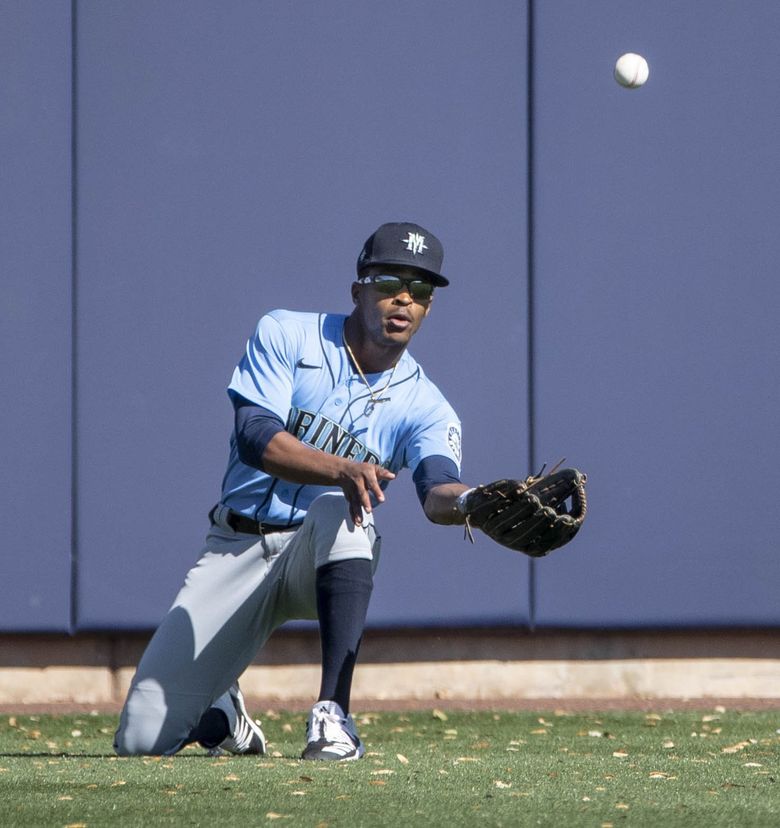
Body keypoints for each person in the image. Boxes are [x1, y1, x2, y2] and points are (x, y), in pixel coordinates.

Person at [114, 221, 470, 761]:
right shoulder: (287, 334)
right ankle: (224, 713)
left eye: (420, 291)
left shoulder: (426, 405)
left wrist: (475, 503)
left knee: (342, 513)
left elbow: (437, 487)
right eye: (389, 282)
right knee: (140, 740)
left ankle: (333, 715)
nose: (403, 299)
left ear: (427, 309)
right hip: (237, 546)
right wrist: (342, 468)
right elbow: (258, 439)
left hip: (319, 555)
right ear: (357, 290)